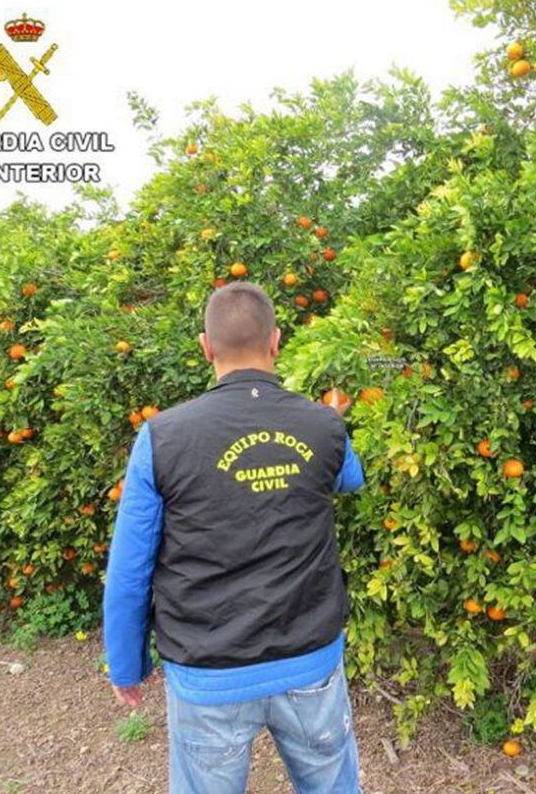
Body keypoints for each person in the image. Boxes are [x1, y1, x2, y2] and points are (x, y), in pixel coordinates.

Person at [102, 282, 364, 794]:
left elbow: (130, 568)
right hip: (309, 660)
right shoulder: (322, 427)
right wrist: (329, 421)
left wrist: (127, 663)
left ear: (205, 347)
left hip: (208, 671)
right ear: (276, 342)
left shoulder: (163, 437)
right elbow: (347, 478)